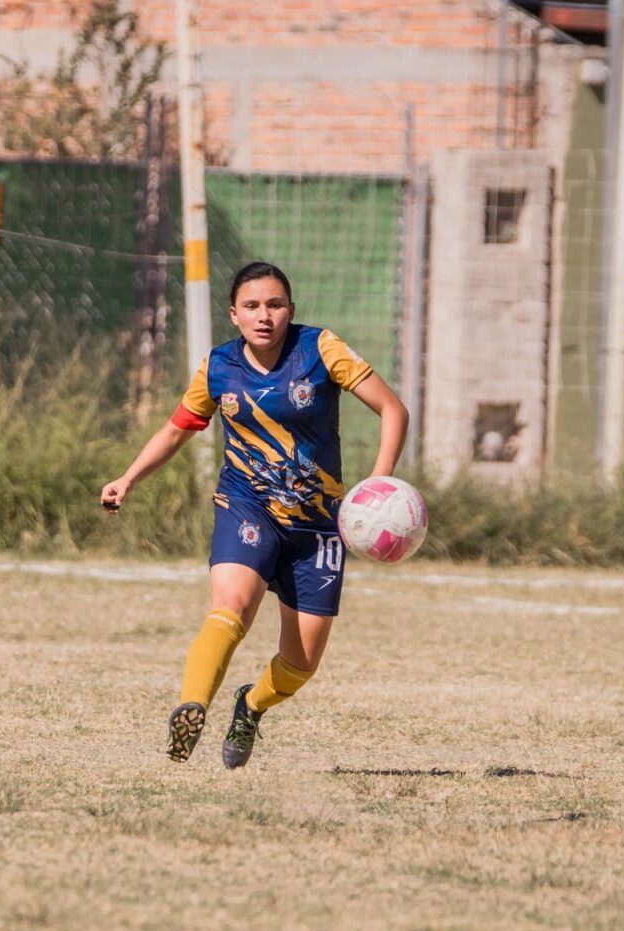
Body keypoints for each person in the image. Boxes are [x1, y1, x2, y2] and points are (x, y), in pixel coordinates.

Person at [100, 261, 409, 769]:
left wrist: (377, 484)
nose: (264, 316)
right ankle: (192, 707)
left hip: (317, 526)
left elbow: (393, 409)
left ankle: (251, 705)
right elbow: (177, 429)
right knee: (231, 606)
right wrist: (128, 478)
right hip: (246, 505)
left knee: (300, 664)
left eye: (275, 305)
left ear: (291, 309)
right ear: (234, 314)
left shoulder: (321, 349)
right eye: (251, 306)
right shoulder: (218, 367)